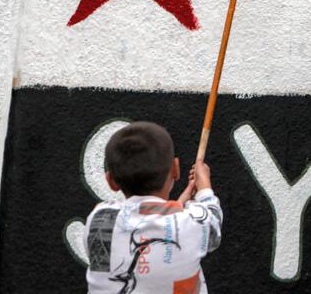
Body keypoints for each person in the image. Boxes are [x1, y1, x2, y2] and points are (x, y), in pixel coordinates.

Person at [85, 121, 222, 294]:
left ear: (111, 181)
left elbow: (146, 220)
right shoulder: (192, 225)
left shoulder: (99, 219)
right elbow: (212, 224)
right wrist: (204, 187)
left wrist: (178, 206)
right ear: (175, 169)